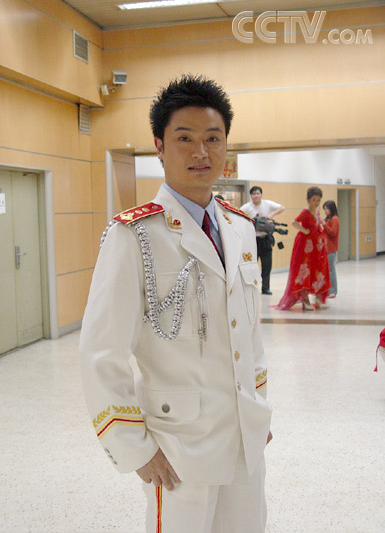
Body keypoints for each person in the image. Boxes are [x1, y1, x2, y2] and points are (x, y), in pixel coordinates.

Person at [80, 74, 272, 533]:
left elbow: (251, 333)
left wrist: (256, 407)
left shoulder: (241, 228)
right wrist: (135, 448)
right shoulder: (134, 236)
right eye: (184, 138)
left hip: (243, 438)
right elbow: (101, 351)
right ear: (159, 147)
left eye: (213, 138)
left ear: (226, 146)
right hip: (178, 443)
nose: (200, 152)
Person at [275, 186, 330, 311]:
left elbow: (318, 225)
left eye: (318, 200)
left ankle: (318, 298)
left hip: (316, 246)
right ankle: (305, 299)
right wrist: (304, 230)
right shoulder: (305, 212)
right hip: (305, 246)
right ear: (309, 200)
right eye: (314, 199)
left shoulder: (317, 212)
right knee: (304, 271)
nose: (316, 202)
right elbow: (294, 222)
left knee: (318, 270)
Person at [241, 187, 285, 295]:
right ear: (251, 195)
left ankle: (265, 288)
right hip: (253, 240)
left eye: (258, 193)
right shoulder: (247, 207)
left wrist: (271, 215)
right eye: (253, 194)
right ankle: (252, 287)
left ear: (261, 194)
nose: (256, 196)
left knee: (267, 265)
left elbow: (282, 208)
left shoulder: (267, 204)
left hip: (266, 239)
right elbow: (237, 213)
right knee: (252, 265)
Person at [321, 200, 340, 298]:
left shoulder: (335, 219)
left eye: (327, 209)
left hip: (331, 248)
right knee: (325, 270)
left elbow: (333, 232)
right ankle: (327, 289)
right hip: (325, 247)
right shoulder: (327, 219)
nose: (325, 211)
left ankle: (333, 290)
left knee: (331, 270)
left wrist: (324, 225)